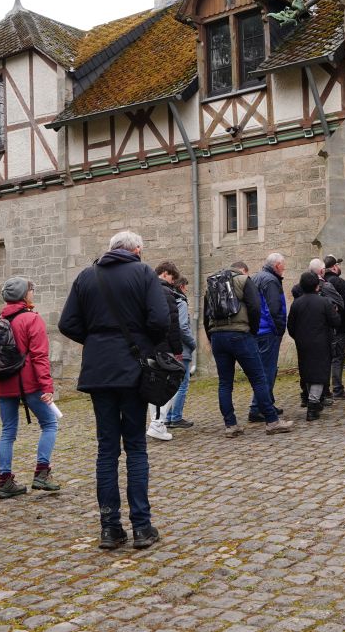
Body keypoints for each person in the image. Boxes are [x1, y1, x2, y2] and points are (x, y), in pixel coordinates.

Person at [58, 230, 172, 550]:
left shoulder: (86, 276)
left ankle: (109, 528)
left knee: (106, 449)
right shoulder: (143, 273)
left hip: (99, 370)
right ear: (136, 250)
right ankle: (142, 527)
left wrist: (96, 340)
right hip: (134, 369)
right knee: (135, 446)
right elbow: (160, 320)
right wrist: (141, 342)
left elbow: (67, 323)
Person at [205, 261, 294, 436]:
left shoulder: (212, 284)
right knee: (258, 378)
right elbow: (255, 307)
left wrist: (212, 337)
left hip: (217, 337)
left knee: (225, 383)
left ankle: (230, 425)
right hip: (240, 335)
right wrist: (252, 331)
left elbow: (205, 316)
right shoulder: (245, 281)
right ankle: (272, 421)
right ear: (243, 270)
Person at [0, 277, 60, 499]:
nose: (33, 292)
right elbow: (40, 356)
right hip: (29, 384)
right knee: (50, 423)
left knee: (8, 431)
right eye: (31, 289)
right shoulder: (32, 319)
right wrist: (47, 386)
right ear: (24, 294)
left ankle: (5, 481)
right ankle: (42, 473)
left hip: (3, 382)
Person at [146, 262, 195, 441]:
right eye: (172, 278)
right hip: (163, 348)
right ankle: (158, 424)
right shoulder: (167, 293)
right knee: (167, 384)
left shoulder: (145, 290)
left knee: (152, 384)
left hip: (147, 347)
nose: (173, 282)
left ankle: (156, 422)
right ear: (165, 274)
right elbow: (174, 325)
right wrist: (177, 350)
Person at [288, 271, 341, 421]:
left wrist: (299, 337)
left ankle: (313, 400)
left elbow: (290, 326)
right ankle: (312, 405)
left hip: (303, 343)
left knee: (307, 372)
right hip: (321, 343)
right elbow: (335, 321)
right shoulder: (324, 302)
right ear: (317, 286)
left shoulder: (296, 303)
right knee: (319, 373)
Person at [248, 252, 287, 423]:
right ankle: (258, 408)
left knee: (265, 370)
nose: (284, 268)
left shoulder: (257, 277)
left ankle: (267, 404)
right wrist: (279, 329)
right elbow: (274, 308)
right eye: (283, 265)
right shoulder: (270, 281)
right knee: (267, 371)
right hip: (267, 332)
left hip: (258, 331)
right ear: (277, 265)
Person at [163, 274, 196, 430]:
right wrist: (193, 343)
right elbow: (183, 327)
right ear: (181, 286)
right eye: (186, 287)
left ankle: (168, 417)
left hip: (170, 348)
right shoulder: (181, 302)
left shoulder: (168, 301)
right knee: (182, 384)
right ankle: (176, 417)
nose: (187, 290)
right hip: (182, 350)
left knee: (172, 384)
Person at [322, 255, 345, 398]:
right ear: (334, 267)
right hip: (337, 326)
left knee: (325, 358)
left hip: (323, 327)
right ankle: (337, 389)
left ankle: (325, 390)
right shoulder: (340, 282)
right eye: (338, 265)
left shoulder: (320, 282)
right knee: (337, 358)